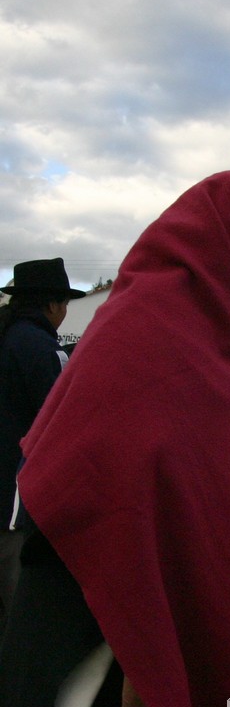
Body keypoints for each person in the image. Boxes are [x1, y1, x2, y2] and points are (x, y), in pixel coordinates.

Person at [0, 164, 230, 707]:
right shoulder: (143, 335)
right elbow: (103, 503)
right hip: (99, 634)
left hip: (211, 618)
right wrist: (141, 650)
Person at [0, 258, 85, 626]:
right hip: (14, 508)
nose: (65, 312)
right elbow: (62, 429)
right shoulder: (45, 351)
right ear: (51, 304)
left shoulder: (6, 338)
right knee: (19, 616)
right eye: (65, 304)